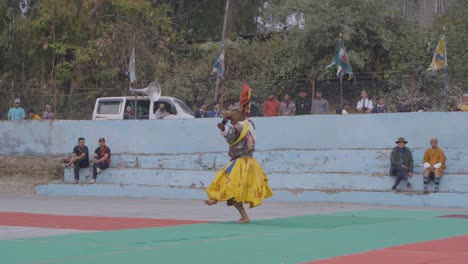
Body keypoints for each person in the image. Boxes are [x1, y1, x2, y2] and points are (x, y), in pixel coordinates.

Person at [205, 106, 273, 223]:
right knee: (230, 187)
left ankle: (215, 198)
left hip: (242, 163)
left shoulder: (241, 127)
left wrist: (223, 127)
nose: (231, 114)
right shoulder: (248, 125)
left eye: (233, 112)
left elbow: (231, 133)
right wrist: (224, 124)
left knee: (225, 180)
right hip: (247, 162)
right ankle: (242, 215)